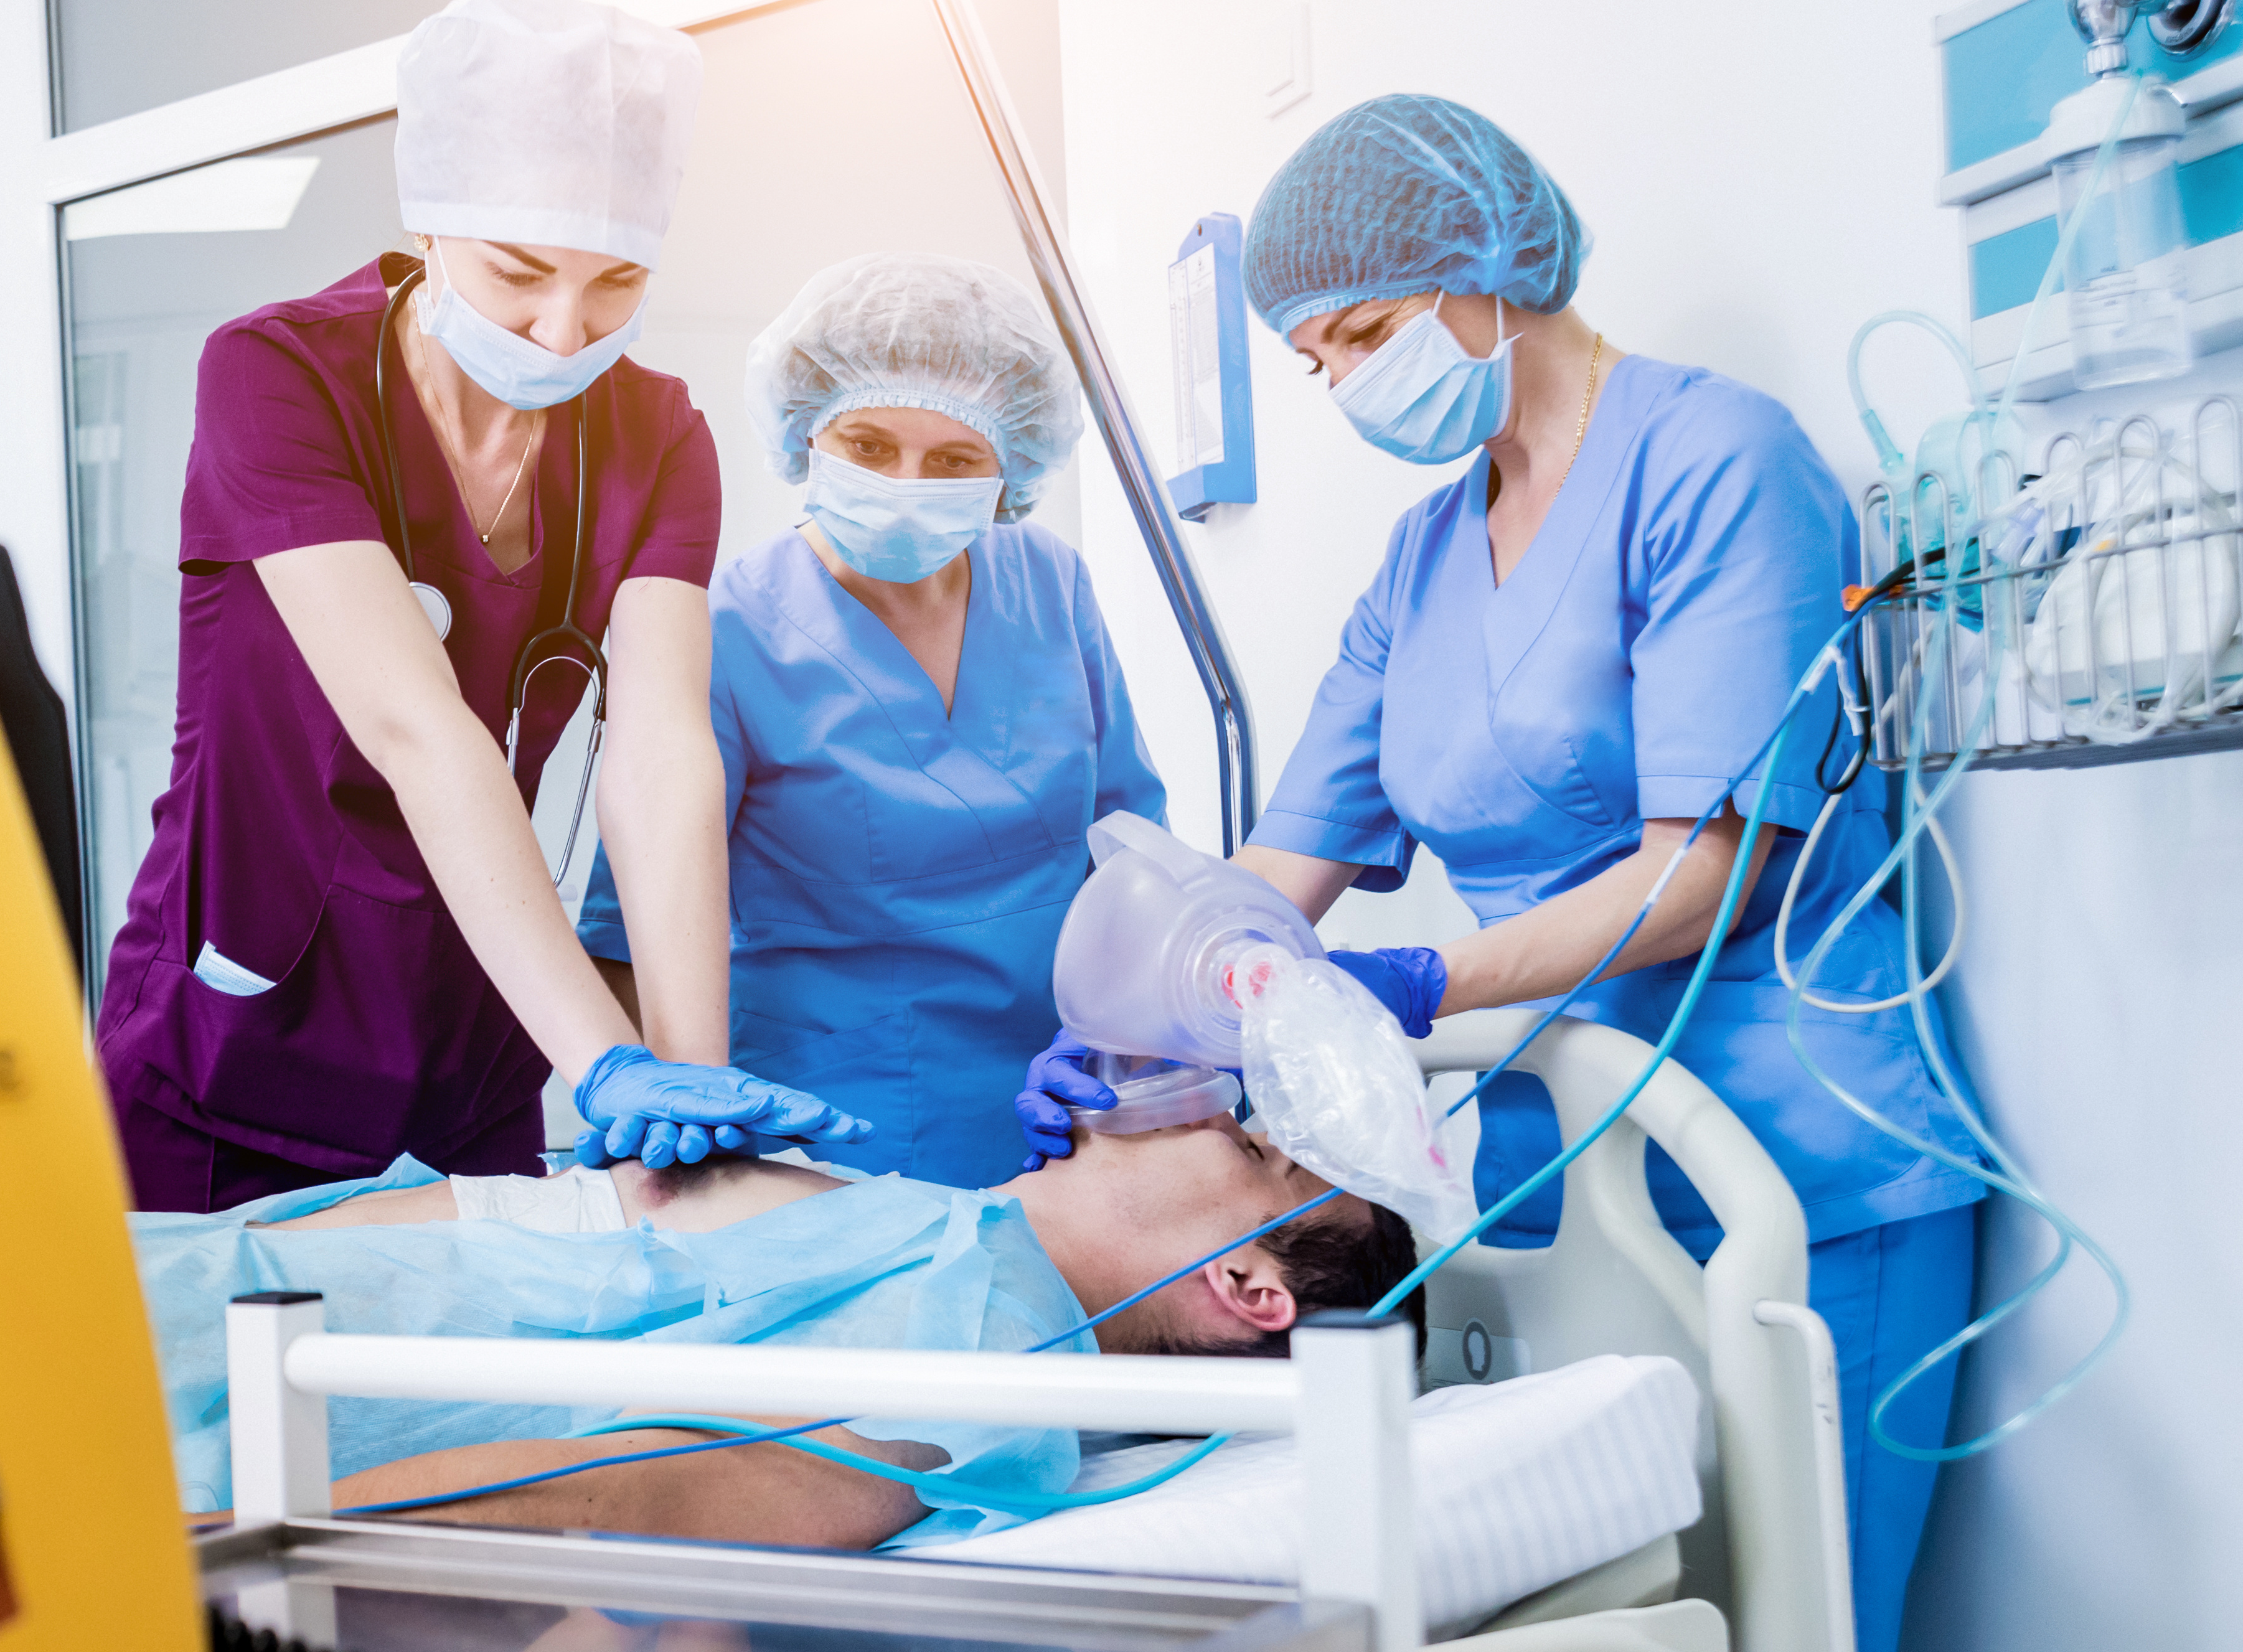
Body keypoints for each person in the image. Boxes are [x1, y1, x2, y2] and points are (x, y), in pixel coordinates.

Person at [1032, 96, 1980, 1652]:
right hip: (1566, 1176)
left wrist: (1413, 984)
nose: (1345, 385)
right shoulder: (1420, 562)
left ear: (1484, 260)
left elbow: (1710, 869)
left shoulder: (1716, 462)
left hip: (1806, 1161)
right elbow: (1267, 878)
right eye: (1315, 360)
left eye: (1364, 335)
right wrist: (1126, 1035)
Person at [94, 0, 863, 1211]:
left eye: (616, 283)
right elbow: (419, 732)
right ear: (429, 214)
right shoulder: (278, 375)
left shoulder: (659, 434)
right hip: (234, 1049)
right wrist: (605, 1058)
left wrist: (691, 1085)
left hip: (476, 1050)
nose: (563, 332)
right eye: (517, 272)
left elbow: (662, 756)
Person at [135, 1112, 1417, 1548]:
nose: (1211, 1108)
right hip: (172, 1276)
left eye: (1255, 1149)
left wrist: (205, 1557)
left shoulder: (997, 1359)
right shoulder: (951, 1228)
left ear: (1248, 1284)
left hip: (172, 1408)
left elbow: (632, 1493)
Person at [576, 253, 1167, 1185]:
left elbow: (1131, 848)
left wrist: (1158, 1034)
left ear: (1011, 464)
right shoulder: (724, 629)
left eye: (955, 460)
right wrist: (664, 1137)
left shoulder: (1051, 582)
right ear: (807, 430)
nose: (906, 483)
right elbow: (627, 933)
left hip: (1071, 1111)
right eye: (869, 446)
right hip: (831, 1141)